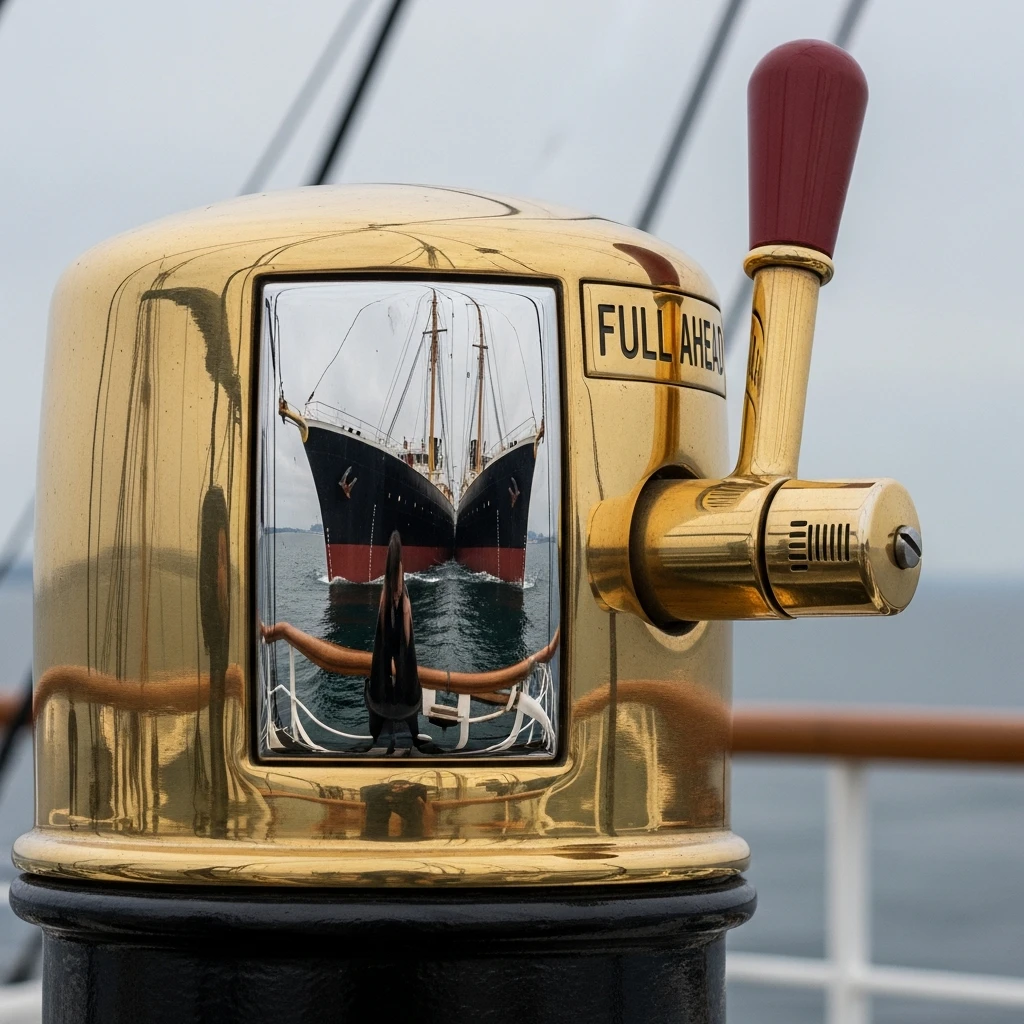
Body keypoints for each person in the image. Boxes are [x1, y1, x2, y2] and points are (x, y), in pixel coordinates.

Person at [366, 531, 425, 754]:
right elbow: (406, 649)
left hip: (380, 700)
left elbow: (383, 646)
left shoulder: (384, 599)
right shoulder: (404, 602)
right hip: (407, 700)